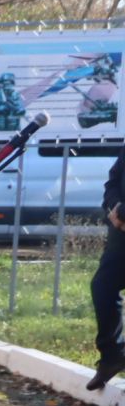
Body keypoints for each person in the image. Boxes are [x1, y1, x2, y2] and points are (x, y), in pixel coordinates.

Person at [90, 148, 125, 390]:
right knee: (103, 287)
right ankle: (112, 356)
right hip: (121, 232)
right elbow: (113, 181)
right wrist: (115, 207)